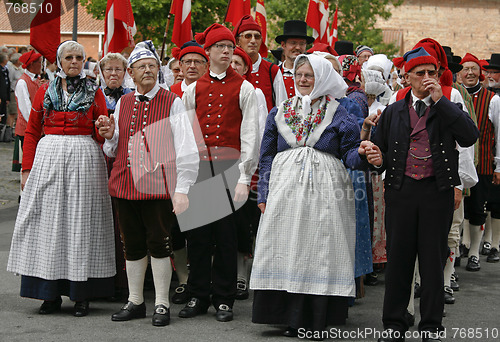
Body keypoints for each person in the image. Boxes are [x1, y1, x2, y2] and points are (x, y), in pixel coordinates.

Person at [362, 47, 479, 342]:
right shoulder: (394, 110)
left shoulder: (448, 106)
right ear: (407, 77)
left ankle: (431, 326)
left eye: (432, 73)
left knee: (432, 261)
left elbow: (469, 136)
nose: (427, 78)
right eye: (420, 73)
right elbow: (382, 154)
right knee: (399, 261)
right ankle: (394, 324)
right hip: (401, 193)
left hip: (435, 192)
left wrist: (440, 101)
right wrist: (376, 158)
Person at [251, 54, 366, 337]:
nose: (302, 80)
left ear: (323, 79)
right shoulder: (279, 112)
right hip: (284, 190)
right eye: (299, 75)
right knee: (285, 245)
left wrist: (363, 154)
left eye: (309, 76)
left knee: (318, 248)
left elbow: (349, 154)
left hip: (325, 190)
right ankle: (287, 317)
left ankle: (314, 319)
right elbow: (266, 156)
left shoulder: (340, 113)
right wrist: (263, 191)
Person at [7, 40, 115, 317]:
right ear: (59, 61)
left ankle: (82, 295)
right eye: (69, 57)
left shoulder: (95, 91)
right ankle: (48, 293)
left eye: (79, 57)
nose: (75, 62)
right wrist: (26, 169)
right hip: (48, 157)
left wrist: (105, 133)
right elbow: (32, 132)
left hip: (84, 159)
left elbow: (100, 130)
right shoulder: (45, 90)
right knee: (48, 223)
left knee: (80, 223)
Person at [97, 41, 199, 327]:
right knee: (132, 245)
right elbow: (113, 149)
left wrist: (182, 189)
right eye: (142, 67)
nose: (148, 71)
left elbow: (187, 149)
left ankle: (163, 304)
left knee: (160, 244)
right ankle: (136, 300)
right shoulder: (124, 103)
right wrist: (108, 135)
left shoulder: (172, 101)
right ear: (131, 72)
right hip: (125, 185)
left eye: (153, 66)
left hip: (157, 187)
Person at [180, 23, 259, 322]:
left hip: (229, 169)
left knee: (226, 237)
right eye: (220, 47)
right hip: (200, 169)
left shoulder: (246, 88)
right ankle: (198, 294)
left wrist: (243, 178)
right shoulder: (192, 89)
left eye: (230, 47)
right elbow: (185, 136)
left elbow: (251, 134)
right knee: (198, 236)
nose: (227, 51)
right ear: (209, 52)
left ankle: (224, 298)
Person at [169, 40, 209, 305]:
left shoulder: (210, 91)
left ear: (206, 66)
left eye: (198, 61)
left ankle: (201, 280)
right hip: (175, 169)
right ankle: (183, 279)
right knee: (175, 228)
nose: (192, 66)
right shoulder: (169, 92)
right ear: (180, 66)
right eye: (187, 61)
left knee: (200, 229)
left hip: (206, 167)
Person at [459, 52, 500, 269]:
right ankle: (460, 246)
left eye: (474, 68)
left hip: (483, 163)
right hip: (458, 164)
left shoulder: (493, 99)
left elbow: (499, 135)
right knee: (459, 208)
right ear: (459, 73)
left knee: (477, 208)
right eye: (466, 69)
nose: (470, 72)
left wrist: (499, 165)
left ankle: (474, 251)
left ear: (480, 73)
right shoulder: (454, 96)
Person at [233, 15, 286, 110]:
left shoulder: (272, 70)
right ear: (238, 41)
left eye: (257, 37)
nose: (253, 41)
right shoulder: (229, 68)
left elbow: (282, 108)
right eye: (248, 36)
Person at [275, 20, 314, 99]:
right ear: (283, 45)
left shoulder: (314, 73)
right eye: (293, 43)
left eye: (302, 43)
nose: (298, 47)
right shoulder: (274, 73)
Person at [14, 51, 43, 147]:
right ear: (32, 64)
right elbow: (26, 108)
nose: (41, 65)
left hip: (37, 128)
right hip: (27, 129)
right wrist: (35, 126)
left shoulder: (37, 80)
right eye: (40, 62)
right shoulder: (22, 82)